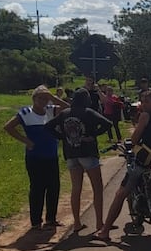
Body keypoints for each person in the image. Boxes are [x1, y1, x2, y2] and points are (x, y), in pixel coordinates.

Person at [95, 90, 151, 242]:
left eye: (146, 102)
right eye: (142, 102)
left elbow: (134, 139)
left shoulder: (145, 116)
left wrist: (131, 143)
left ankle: (104, 231)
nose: (143, 105)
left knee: (120, 194)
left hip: (147, 162)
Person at [45, 88, 112, 233]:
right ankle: (100, 223)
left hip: (71, 154)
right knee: (97, 188)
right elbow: (107, 123)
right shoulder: (88, 112)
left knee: (76, 189)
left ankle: (76, 223)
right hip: (88, 153)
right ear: (85, 99)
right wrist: (93, 134)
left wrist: (63, 137)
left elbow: (48, 127)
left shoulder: (64, 113)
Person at [4, 85, 69, 230]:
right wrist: (25, 140)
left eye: (46, 99)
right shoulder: (26, 113)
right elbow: (8, 127)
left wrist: (53, 97)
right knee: (37, 188)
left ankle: (51, 219)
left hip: (51, 156)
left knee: (53, 187)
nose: (43, 101)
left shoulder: (51, 110)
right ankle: (36, 221)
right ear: (34, 99)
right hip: (35, 157)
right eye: (40, 98)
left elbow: (68, 108)